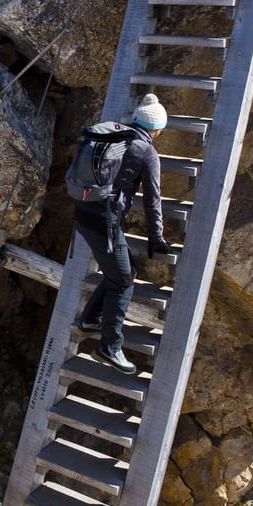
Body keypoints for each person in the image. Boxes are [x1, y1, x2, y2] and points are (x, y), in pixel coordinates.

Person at [71, 93, 171, 375]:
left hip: (84, 213)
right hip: (105, 221)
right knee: (124, 280)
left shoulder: (115, 135)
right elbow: (153, 199)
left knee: (121, 271)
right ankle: (109, 347)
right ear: (158, 129)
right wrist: (157, 236)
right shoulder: (147, 151)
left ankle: (90, 319)